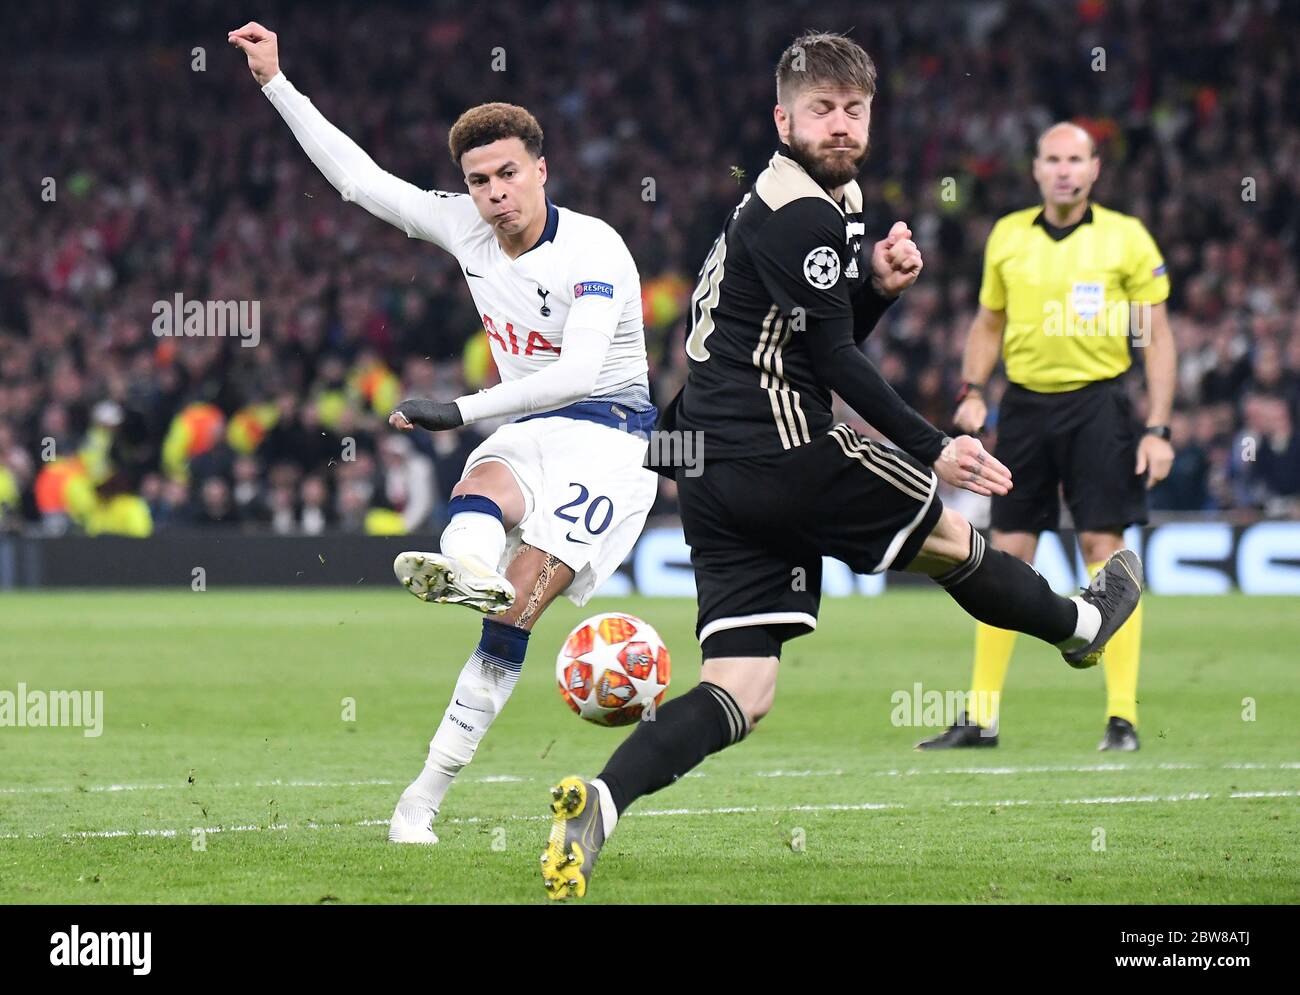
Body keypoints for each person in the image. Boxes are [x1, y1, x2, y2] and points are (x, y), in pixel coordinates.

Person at [539, 32, 1143, 900]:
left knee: (742, 688)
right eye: (821, 109)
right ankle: (1079, 630)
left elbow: (802, 332)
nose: (841, 125)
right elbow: (829, 361)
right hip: (785, 447)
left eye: (854, 109)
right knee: (951, 541)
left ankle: (601, 799)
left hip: (711, 468)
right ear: (782, 117)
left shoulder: (818, 199)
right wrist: (933, 444)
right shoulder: (805, 212)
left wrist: (878, 291)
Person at [229, 21, 658, 844]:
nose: (494, 193)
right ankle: (467, 568)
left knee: (516, 615)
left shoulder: (596, 247)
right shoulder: (463, 225)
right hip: (527, 422)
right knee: (481, 489)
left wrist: (456, 408)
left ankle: (422, 794)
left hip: (608, 438)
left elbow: (577, 371)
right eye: (478, 180)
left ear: (540, 170)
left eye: (507, 174)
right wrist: (277, 82)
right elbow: (358, 181)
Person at [917, 122, 1175, 753]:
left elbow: (1157, 338)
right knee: (1004, 548)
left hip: (1100, 404)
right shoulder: (1008, 236)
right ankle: (981, 716)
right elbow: (987, 322)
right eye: (1053, 159)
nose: (1064, 170)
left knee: (1102, 543)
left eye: (1076, 160)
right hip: (1025, 405)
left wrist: (1158, 427)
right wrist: (971, 390)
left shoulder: (1126, 238)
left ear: (1094, 170)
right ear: (1036, 169)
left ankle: (1122, 717)